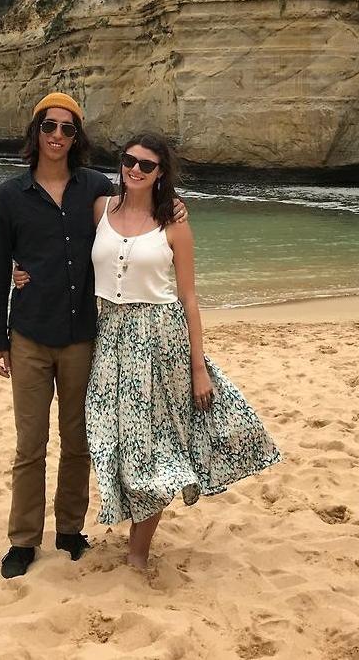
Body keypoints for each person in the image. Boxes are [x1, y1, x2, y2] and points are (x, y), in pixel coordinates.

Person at [0, 95, 185, 579]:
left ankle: (70, 530)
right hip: (29, 334)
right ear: (36, 131)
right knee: (29, 445)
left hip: (82, 337)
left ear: (77, 138)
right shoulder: (8, 196)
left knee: (77, 442)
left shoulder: (95, 188)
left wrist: (172, 204)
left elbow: (138, 210)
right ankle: (24, 540)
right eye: (49, 126)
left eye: (68, 129)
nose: (58, 135)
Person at [85, 132, 282, 568]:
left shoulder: (174, 223)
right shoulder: (100, 207)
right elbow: (55, 242)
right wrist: (21, 270)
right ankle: (127, 527)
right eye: (129, 160)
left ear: (161, 174)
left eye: (147, 165)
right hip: (106, 335)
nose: (135, 169)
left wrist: (199, 368)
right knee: (109, 439)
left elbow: (189, 298)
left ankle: (137, 553)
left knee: (152, 447)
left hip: (160, 340)